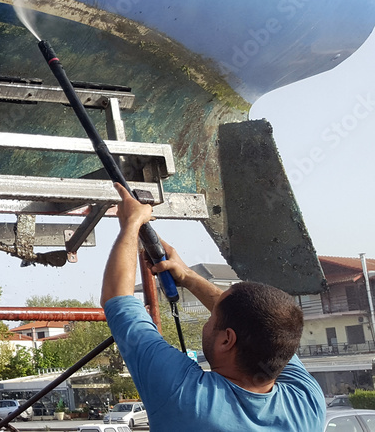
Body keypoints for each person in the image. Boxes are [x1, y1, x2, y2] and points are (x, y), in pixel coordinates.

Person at [100, 183, 325, 431]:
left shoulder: (184, 394)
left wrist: (131, 224)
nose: (208, 321)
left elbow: (118, 299)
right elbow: (264, 322)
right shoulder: (308, 404)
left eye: (212, 318)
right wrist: (186, 276)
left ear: (227, 340)